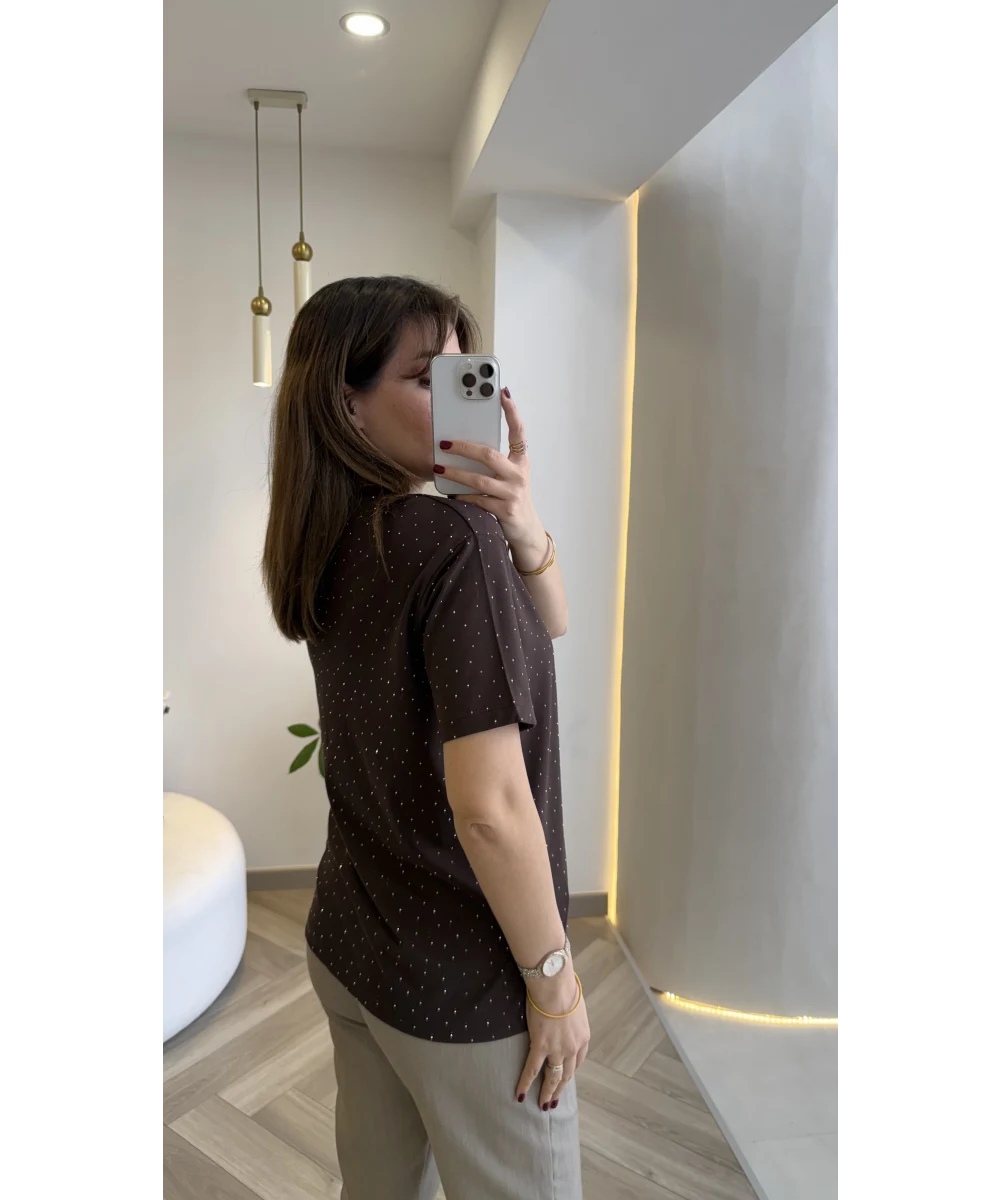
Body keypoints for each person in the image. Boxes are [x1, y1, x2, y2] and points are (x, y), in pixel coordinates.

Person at [261, 275, 588, 1199]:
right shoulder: (446, 541)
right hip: (463, 981)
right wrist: (555, 983)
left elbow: (552, 624)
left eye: (462, 370)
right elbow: (490, 809)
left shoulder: (331, 535)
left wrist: (521, 521)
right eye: (424, 376)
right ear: (347, 404)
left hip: (353, 938)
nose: (458, 394)